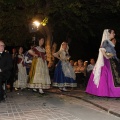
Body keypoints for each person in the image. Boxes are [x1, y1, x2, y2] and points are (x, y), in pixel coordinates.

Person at [86, 29, 120, 97]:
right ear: (109, 34)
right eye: (113, 33)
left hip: (113, 61)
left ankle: (116, 92)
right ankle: (108, 92)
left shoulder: (110, 42)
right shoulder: (106, 42)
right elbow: (101, 49)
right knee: (108, 75)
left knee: (115, 76)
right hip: (108, 61)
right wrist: (106, 57)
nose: (114, 34)